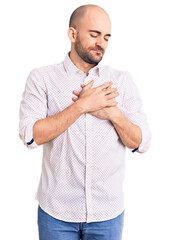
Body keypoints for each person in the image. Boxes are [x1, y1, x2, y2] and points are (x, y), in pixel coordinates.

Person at [19, 4, 151, 240]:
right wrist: (81, 106)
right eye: (94, 34)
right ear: (72, 34)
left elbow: (141, 143)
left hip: (107, 214)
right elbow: (30, 136)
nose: (101, 43)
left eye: (106, 37)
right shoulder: (42, 79)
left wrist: (112, 113)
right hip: (56, 213)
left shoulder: (121, 80)